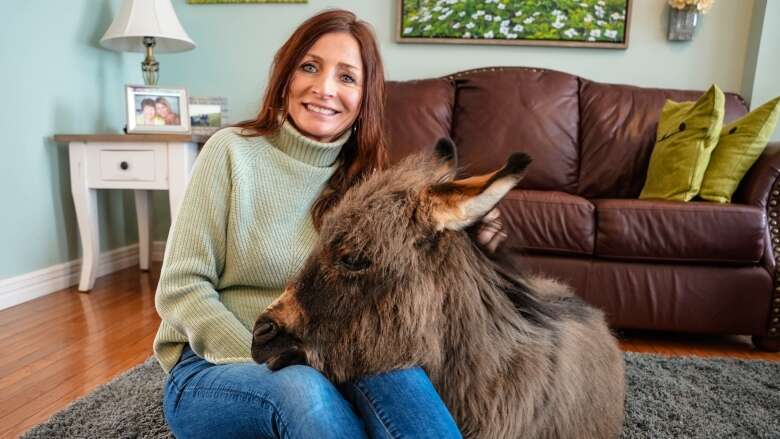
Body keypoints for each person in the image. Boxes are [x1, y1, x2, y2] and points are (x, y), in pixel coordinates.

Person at [153, 9, 504, 439]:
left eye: (346, 77)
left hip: (321, 352)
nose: (324, 89)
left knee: (398, 374)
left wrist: (477, 243)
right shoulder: (229, 152)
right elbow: (181, 288)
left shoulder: (372, 188)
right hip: (215, 365)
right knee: (304, 391)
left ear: (364, 98)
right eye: (310, 67)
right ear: (286, 76)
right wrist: (266, 355)